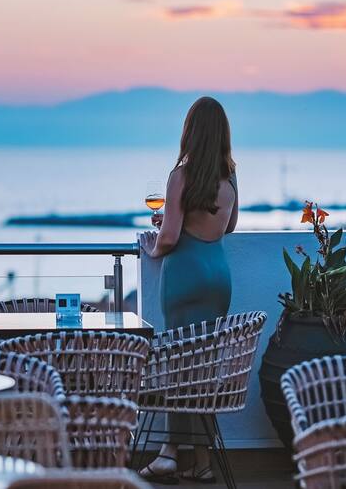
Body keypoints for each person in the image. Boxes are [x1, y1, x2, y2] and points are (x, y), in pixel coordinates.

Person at [138, 96, 238, 484]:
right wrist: (181, 219)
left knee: (178, 367)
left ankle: (168, 453)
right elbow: (228, 226)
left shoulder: (180, 176)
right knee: (203, 369)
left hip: (184, 275)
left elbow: (169, 238)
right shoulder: (230, 179)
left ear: (190, 133)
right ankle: (202, 460)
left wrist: (153, 246)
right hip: (218, 275)